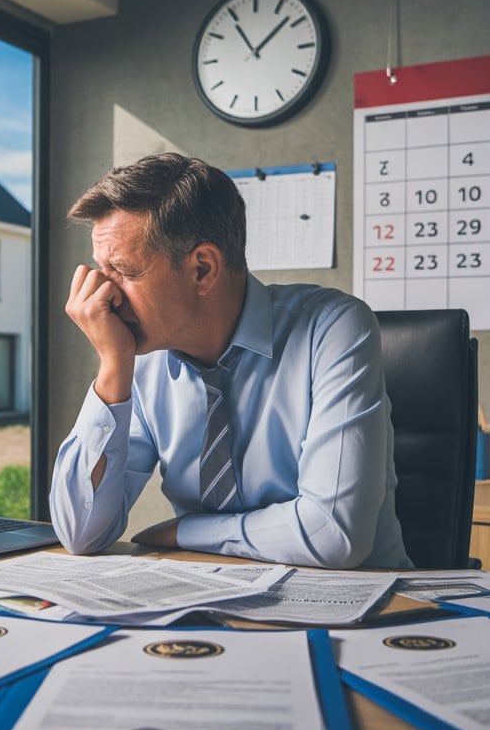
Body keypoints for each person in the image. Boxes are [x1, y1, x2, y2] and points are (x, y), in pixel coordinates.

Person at [49, 152, 411, 569]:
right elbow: (80, 533)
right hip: (214, 593)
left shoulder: (332, 327)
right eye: (100, 270)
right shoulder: (140, 359)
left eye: (124, 272)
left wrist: (185, 531)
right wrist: (112, 367)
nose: (104, 295)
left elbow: (333, 535)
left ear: (202, 269)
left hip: (360, 597)